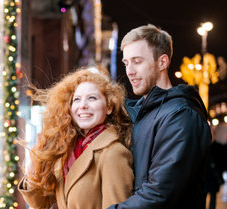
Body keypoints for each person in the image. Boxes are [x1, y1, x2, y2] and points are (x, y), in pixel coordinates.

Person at [108, 24, 212, 209]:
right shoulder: (141, 112)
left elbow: (159, 194)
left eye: (137, 61)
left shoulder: (181, 115)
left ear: (162, 62)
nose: (129, 71)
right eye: (126, 63)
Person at [18, 68, 134, 208]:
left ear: (109, 106)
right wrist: (33, 172)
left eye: (92, 98)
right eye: (77, 99)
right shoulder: (67, 149)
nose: (83, 106)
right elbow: (41, 203)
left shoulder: (113, 153)